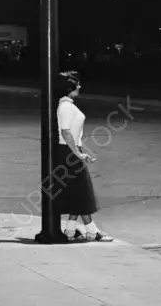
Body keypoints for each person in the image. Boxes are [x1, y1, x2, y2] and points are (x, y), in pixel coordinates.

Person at [54, 70, 113, 242]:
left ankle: (71, 230)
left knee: (78, 192)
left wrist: (79, 151)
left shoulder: (67, 105)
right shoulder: (65, 107)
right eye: (77, 84)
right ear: (70, 88)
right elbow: (65, 132)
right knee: (83, 191)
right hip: (68, 152)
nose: (80, 86)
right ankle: (92, 231)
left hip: (69, 151)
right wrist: (78, 153)